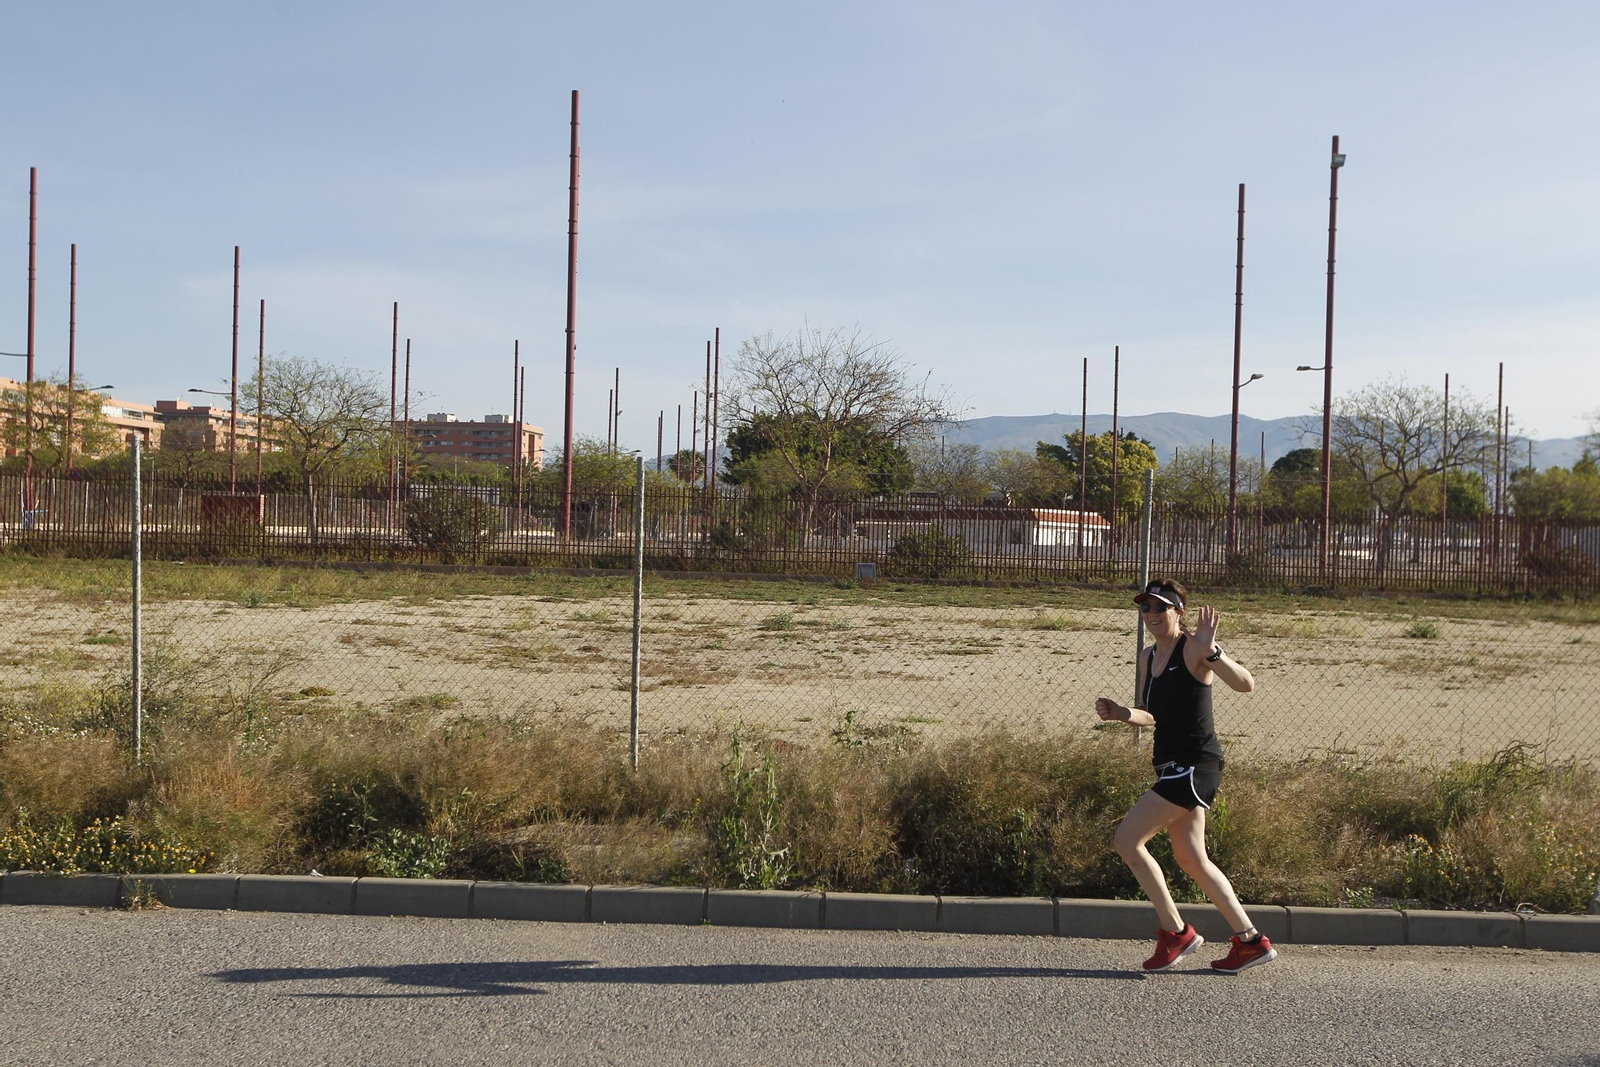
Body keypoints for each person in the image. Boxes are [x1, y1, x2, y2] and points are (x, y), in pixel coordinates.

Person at [1093, 577, 1277, 975]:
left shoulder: (1193, 647)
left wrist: (1214, 653)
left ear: (1178, 612)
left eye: (1161, 607)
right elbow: (1149, 713)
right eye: (1145, 608)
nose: (1152, 615)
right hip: (1171, 766)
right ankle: (1250, 942)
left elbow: (1246, 684)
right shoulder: (1146, 658)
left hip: (1194, 766)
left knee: (1127, 840)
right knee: (1193, 860)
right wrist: (1123, 713)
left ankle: (1176, 933)